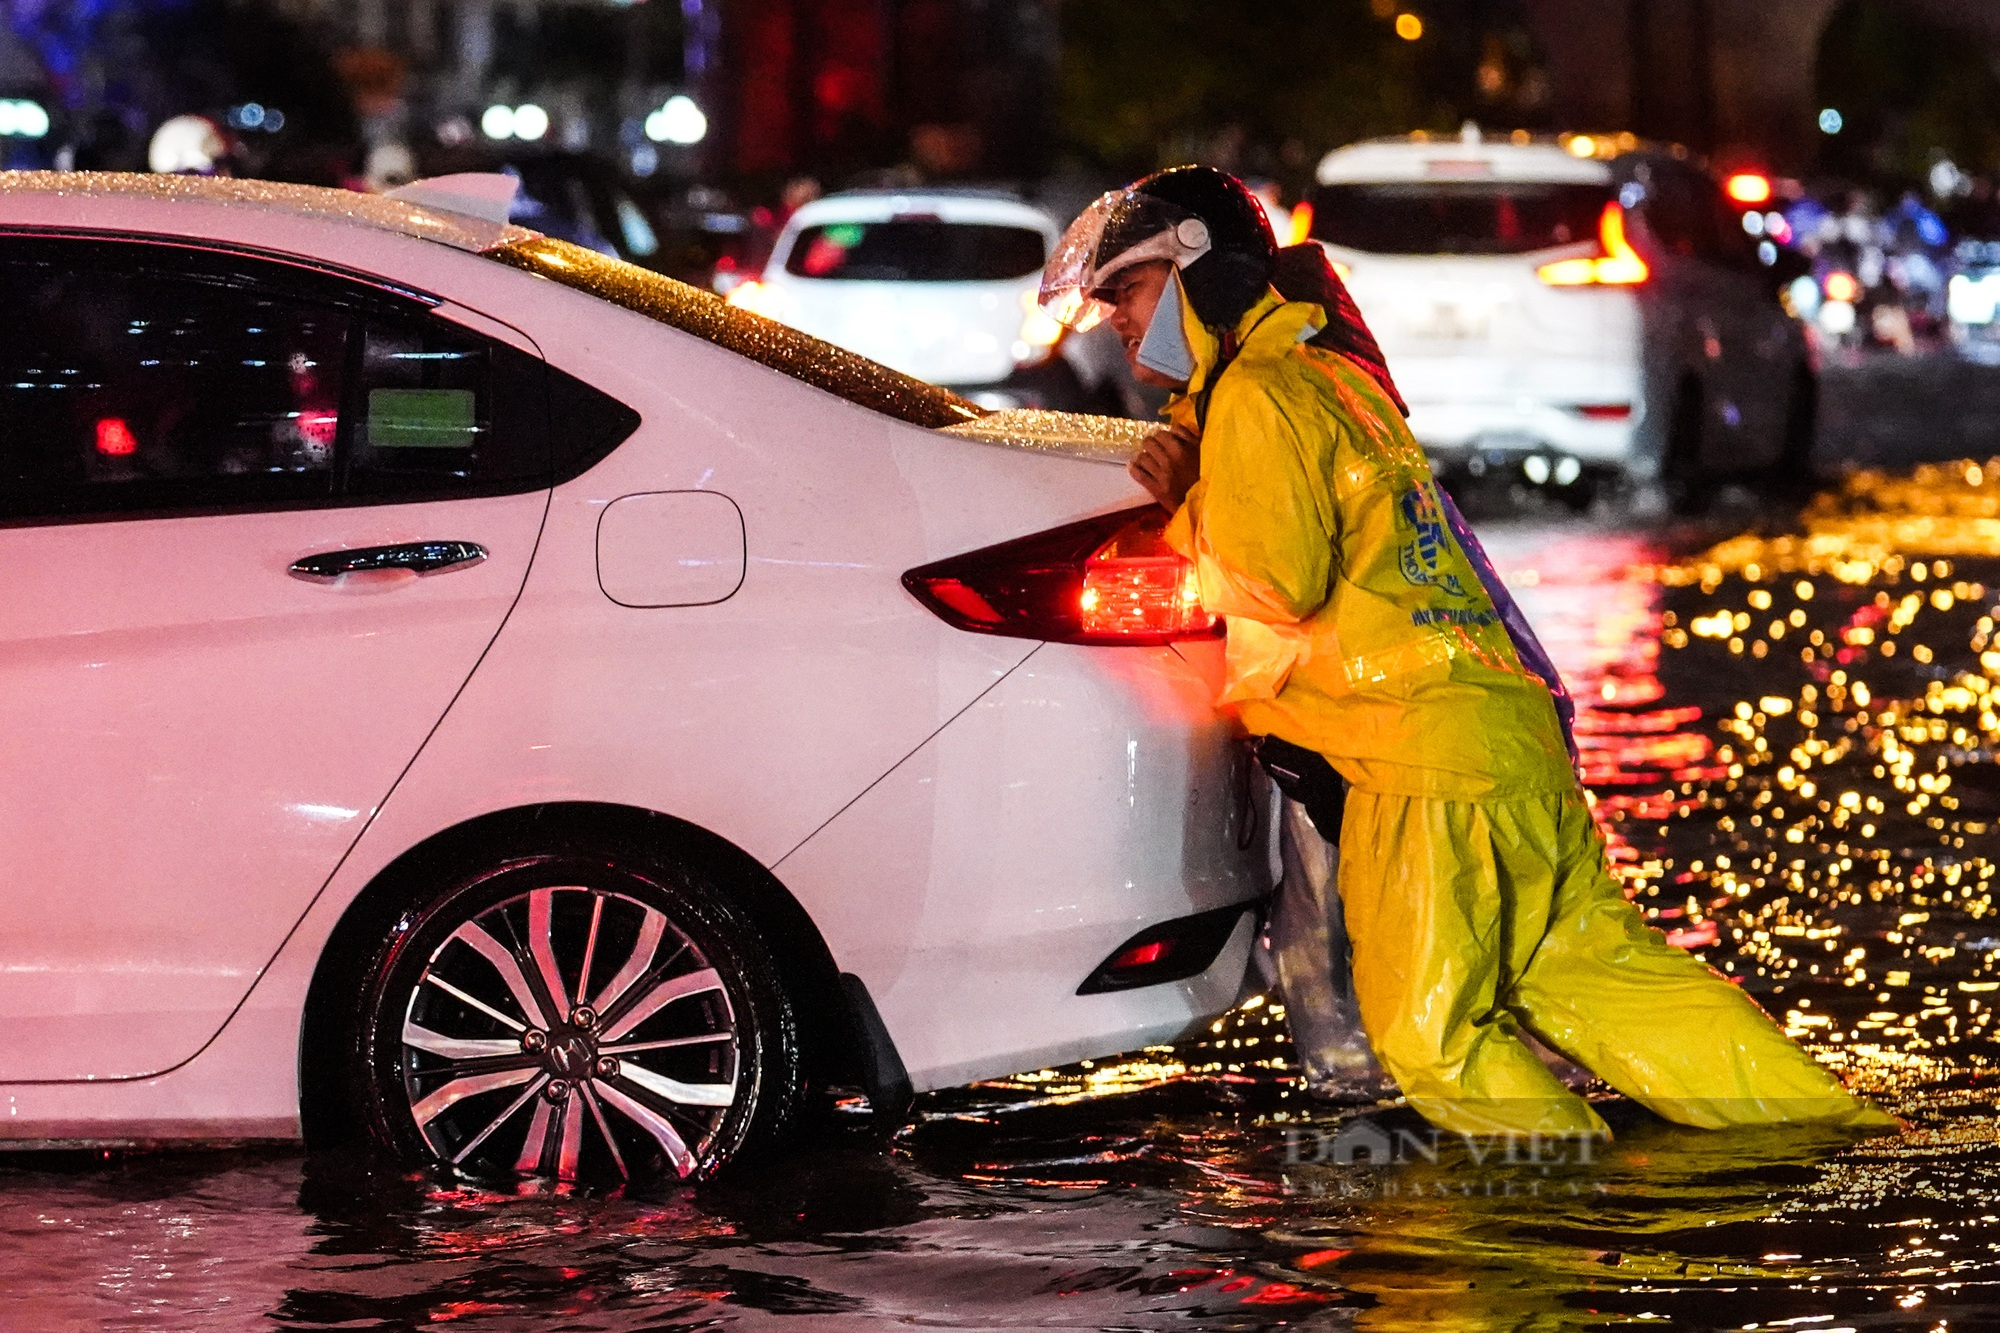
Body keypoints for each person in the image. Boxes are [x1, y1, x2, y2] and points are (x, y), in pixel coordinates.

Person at [1040, 165, 1895, 1138]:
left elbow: (1274, 582)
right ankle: (1834, 1136)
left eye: (1130, 288)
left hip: (1418, 769)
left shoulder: (1257, 395)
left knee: (1430, 1038)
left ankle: (1550, 1234)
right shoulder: (1329, 374)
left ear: (1197, 269)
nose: (1112, 314)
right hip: (1506, 739)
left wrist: (1183, 509)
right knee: (1598, 981)